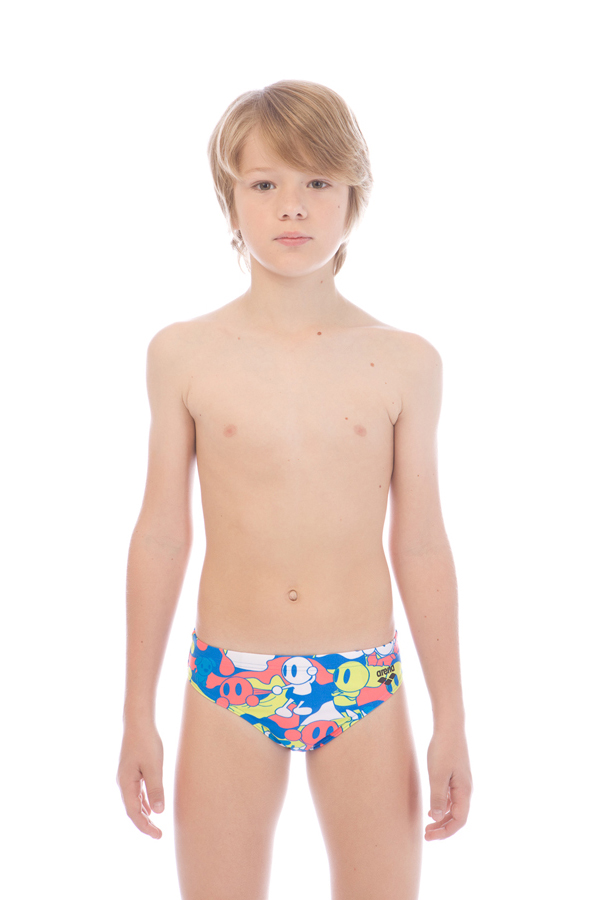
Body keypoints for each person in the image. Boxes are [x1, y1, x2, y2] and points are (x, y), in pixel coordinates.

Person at [117, 79, 472, 900]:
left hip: (362, 679)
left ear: (354, 196)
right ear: (230, 198)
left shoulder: (404, 362)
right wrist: (137, 709)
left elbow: (421, 543)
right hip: (229, 678)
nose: (292, 206)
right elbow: (162, 534)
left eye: (318, 181)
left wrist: (451, 717)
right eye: (264, 183)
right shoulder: (184, 354)